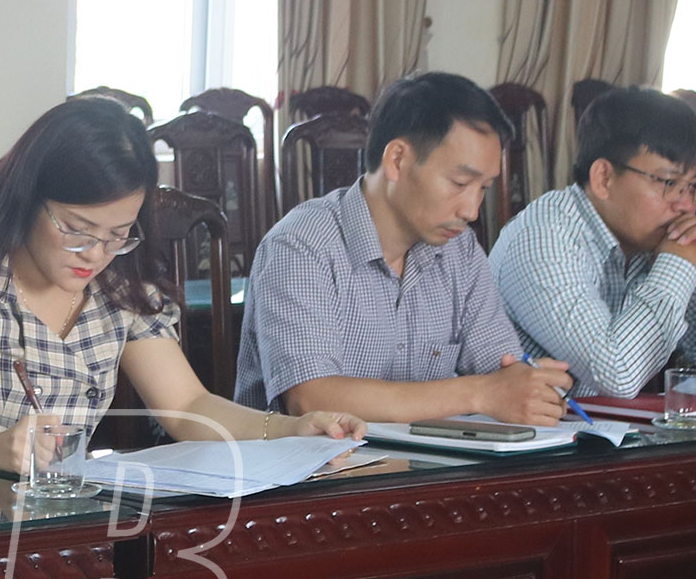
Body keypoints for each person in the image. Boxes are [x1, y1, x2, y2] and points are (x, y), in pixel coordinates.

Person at [0, 98, 361, 476]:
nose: (95, 254)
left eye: (117, 235)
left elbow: (188, 407)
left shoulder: (119, 293)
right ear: (28, 198)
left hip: (65, 524)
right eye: (76, 230)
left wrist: (292, 429)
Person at [235, 72, 577, 425]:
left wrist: (529, 387)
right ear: (397, 160)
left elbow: (501, 372)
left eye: (484, 188)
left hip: (427, 459)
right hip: (314, 461)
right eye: (460, 183)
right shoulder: (301, 245)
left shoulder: (460, 251)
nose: (471, 211)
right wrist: (480, 393)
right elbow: (310, 399)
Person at [490, 87, 696, 397]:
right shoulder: (543, 238)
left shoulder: (652, 239)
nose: (687, 206)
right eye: (669, 183)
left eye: (693, 187)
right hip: (511, 426)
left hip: (593, 426)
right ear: (604, 178)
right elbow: (617, 375)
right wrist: (677, 265)